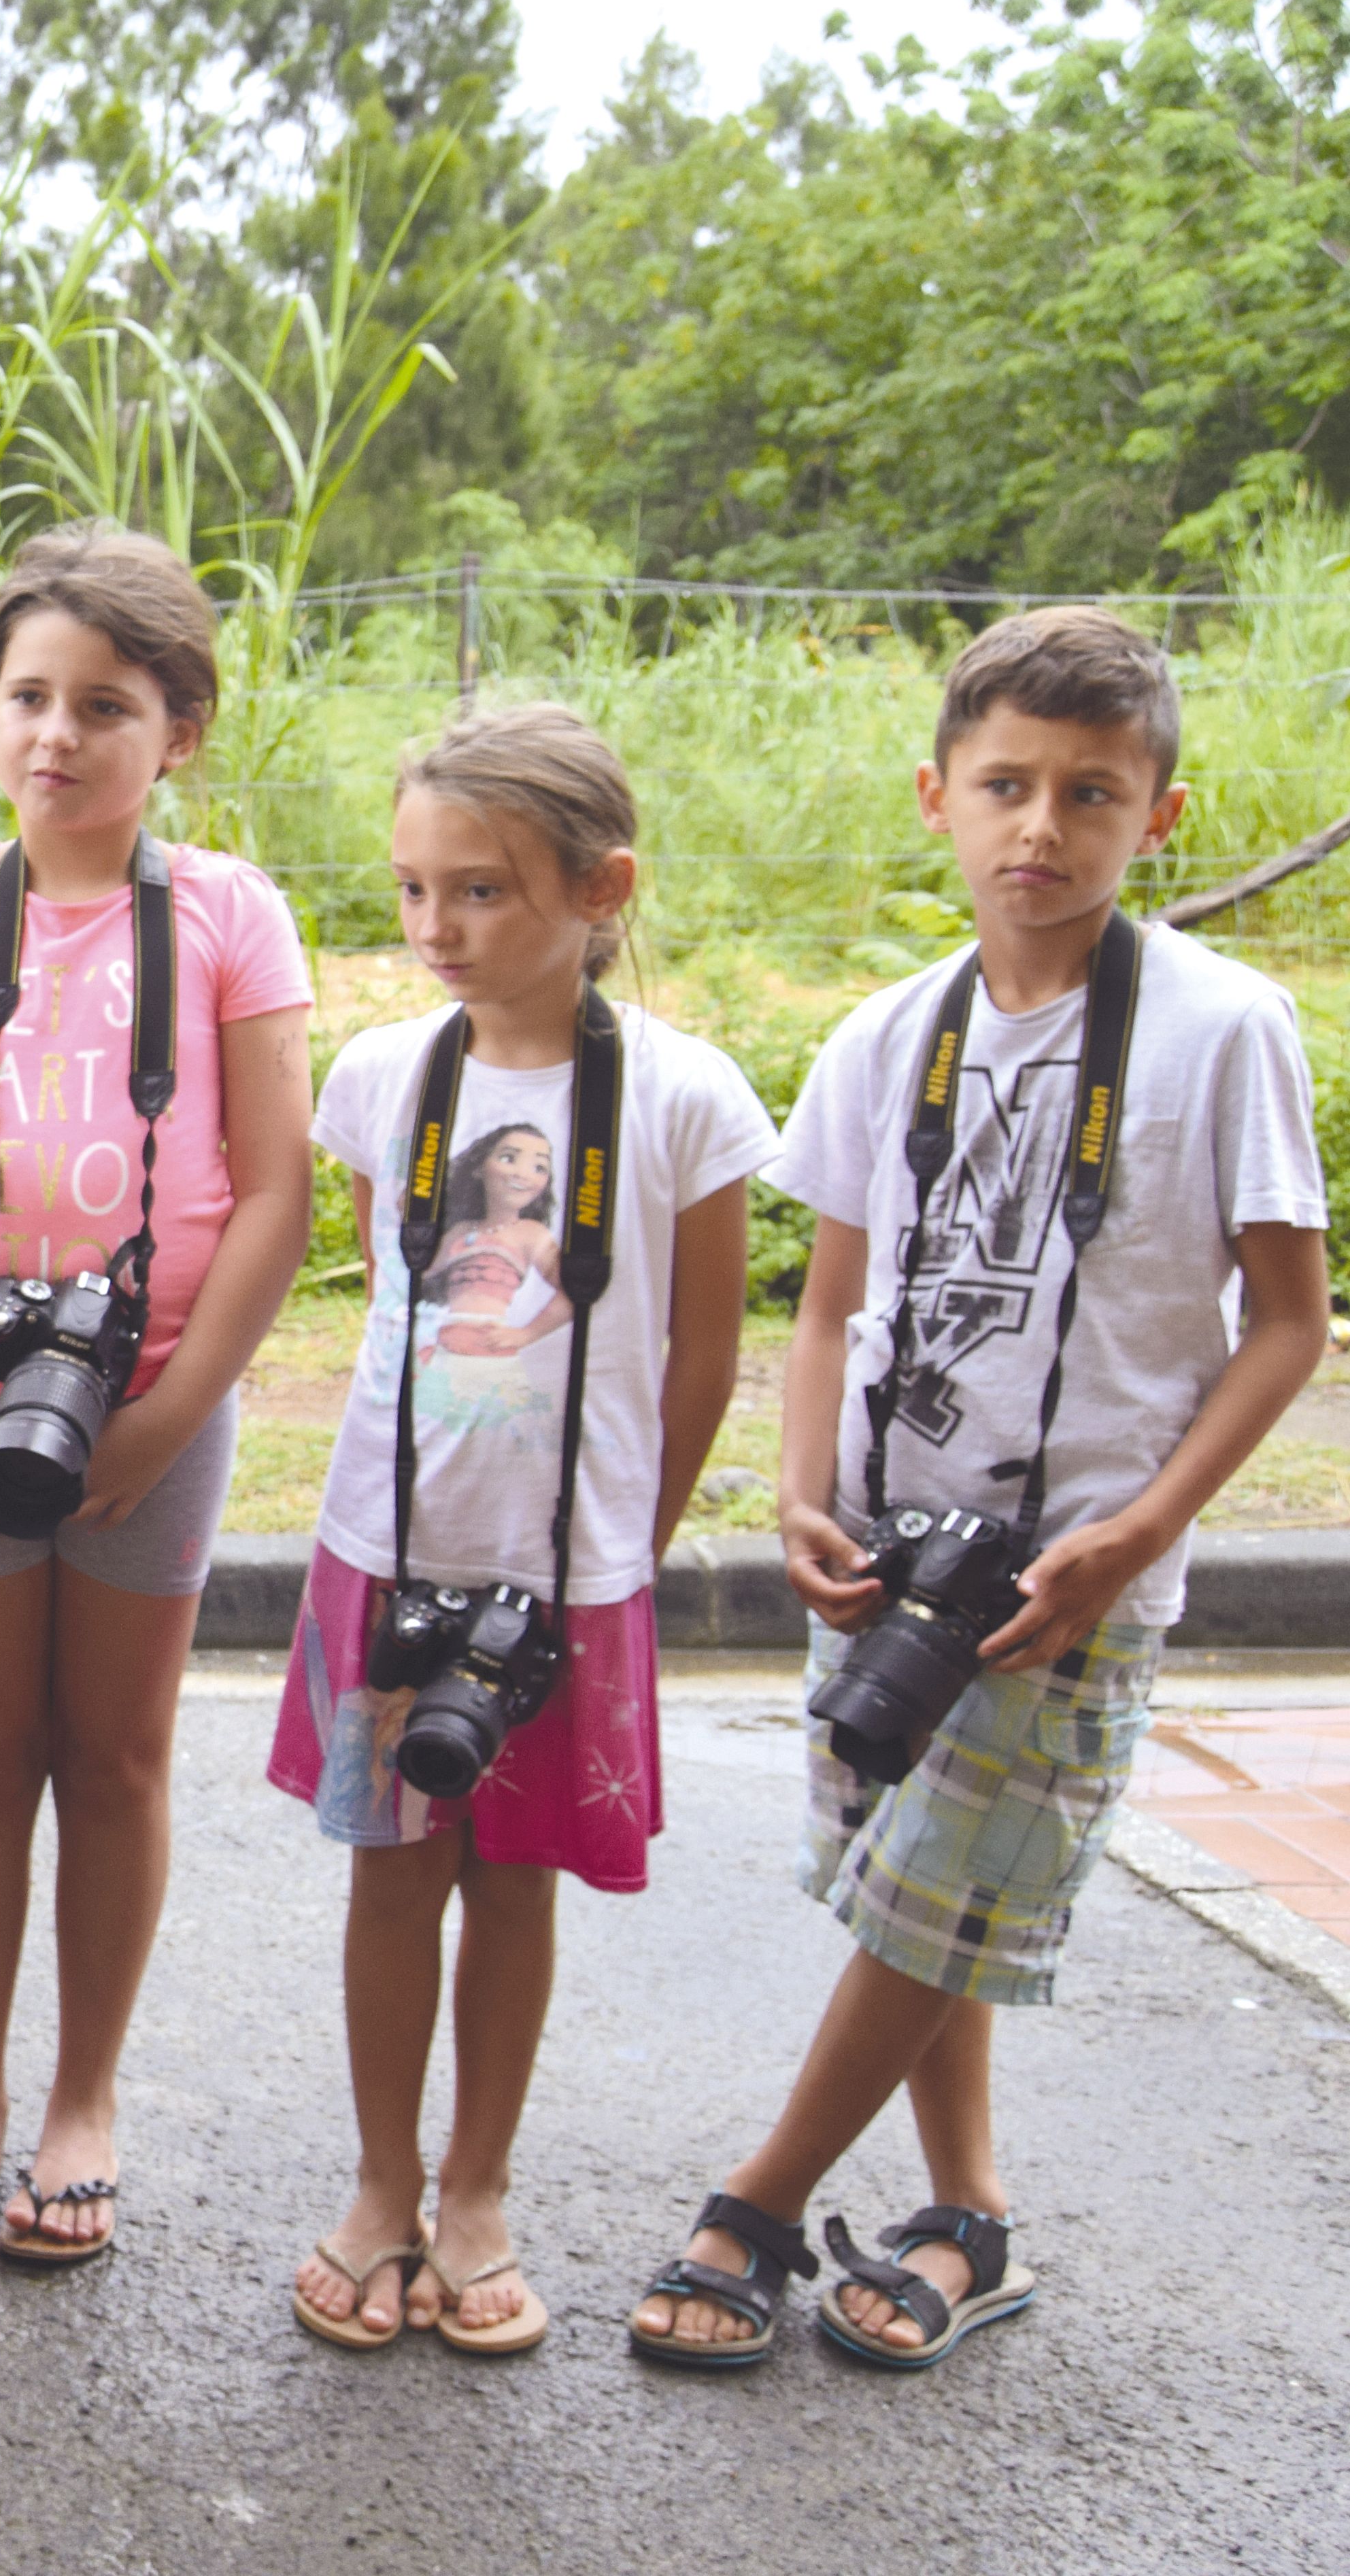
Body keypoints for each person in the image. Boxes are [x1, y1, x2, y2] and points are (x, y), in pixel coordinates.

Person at [627, 608, 1330, 2369]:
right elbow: (830, 1305)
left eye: (1090, 793)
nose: (1042, 827)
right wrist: (801, 1496)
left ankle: (760, 2205)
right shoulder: (887, 1034)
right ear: (935, 796)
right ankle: (968, 2218)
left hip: (1071, 1569)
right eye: (1005, 786)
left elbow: (1291, 1321)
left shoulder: (1223, 1026)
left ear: (1159, 817)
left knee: (935, 1899)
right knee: (917, 1902)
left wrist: (1146, 1527)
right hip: (887, 1549)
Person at [0, 521, 316, 2269]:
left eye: (103, 704)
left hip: (154, 1408)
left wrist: (170, 1417)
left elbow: (278, 1190)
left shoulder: (234, 918)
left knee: (112, 1755)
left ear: (177, 729)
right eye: (27, 695)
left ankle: (81, 2097)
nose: (57, 735)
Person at [267, 708, 774, 2356]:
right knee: (391, 1869)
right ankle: (378, 2185)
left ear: (600, 884)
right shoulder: (380, 1074)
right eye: (414, 888)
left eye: (478, 890)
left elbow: (705, 1351)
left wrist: (630, 1535)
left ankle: (476, 2190)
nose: (436, 929)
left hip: (569, 1572)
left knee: (517, 1879)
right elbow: (395, 1313)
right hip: (388, 1549)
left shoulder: (689, 1096)